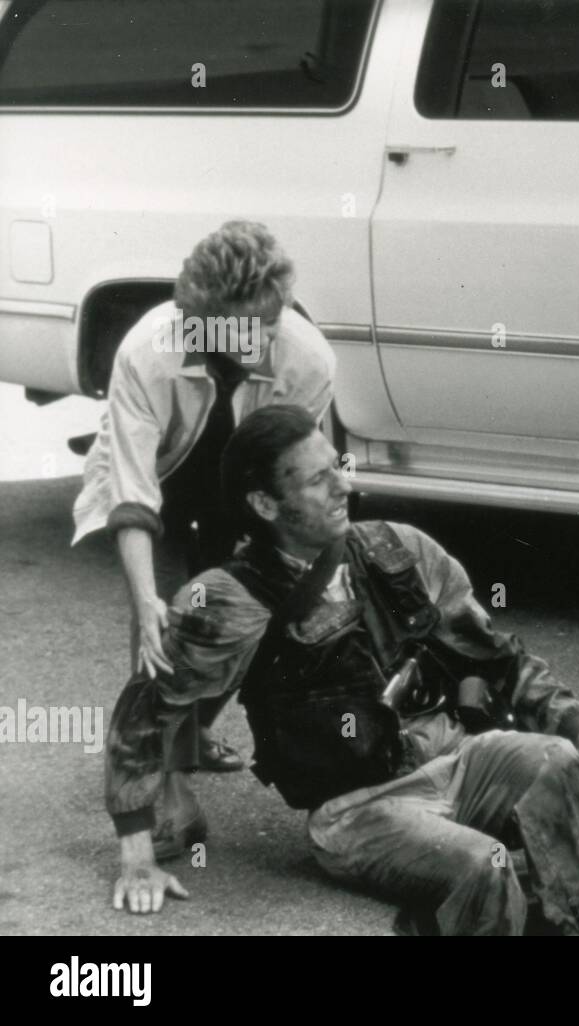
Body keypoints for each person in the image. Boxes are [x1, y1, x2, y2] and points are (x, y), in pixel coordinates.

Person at [104, 405, 579, 935]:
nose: (344, 486)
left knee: (561, 762)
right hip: (359, 811)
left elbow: (500, 658)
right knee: (482, 864)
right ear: (265, 503)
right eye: (319, 480)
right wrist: (136, 858)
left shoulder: (400, 547)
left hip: (459, 762)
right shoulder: (228, 600)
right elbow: (143, 718)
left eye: (338, 467)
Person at [73, 221, 336, 816]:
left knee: (241, 613)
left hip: (241, 483)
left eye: (276, 323)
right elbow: (135, 493)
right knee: (166, 621)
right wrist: (146, 602)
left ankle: (190, 736)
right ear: (204, 323)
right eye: (252, 331)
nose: (271, 340)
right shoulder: (147, 351)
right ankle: (148, 769)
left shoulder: (310, 359)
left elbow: (288, 479)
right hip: (164, 480)